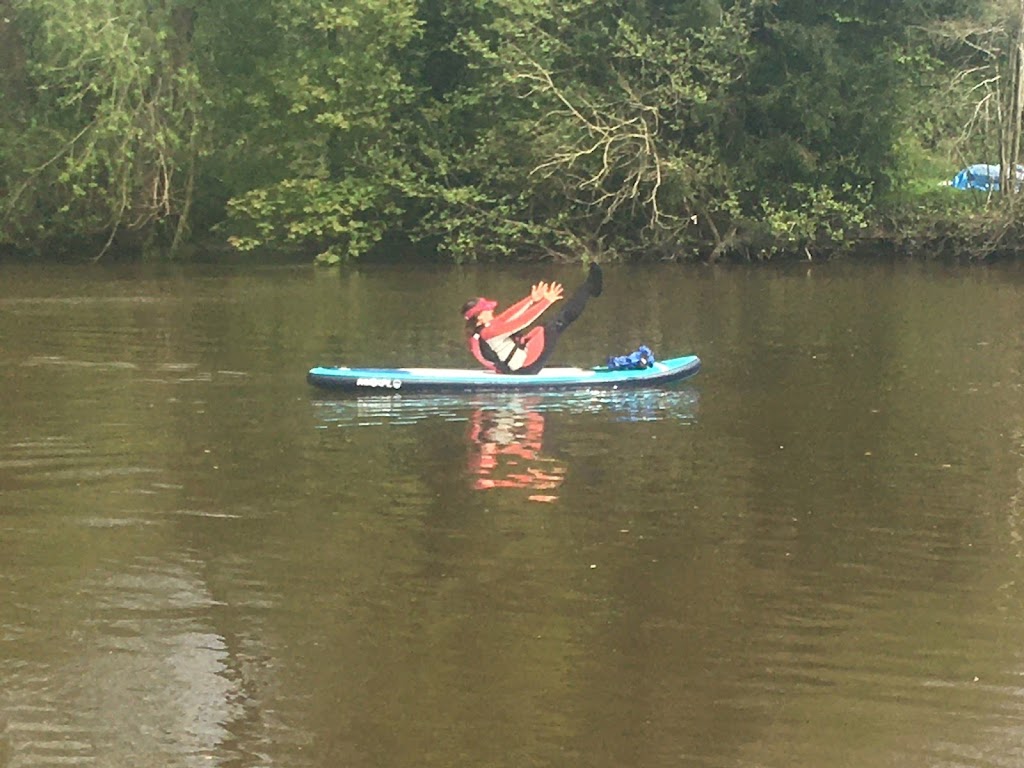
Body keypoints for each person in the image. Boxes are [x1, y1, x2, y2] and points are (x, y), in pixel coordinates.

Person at [461, 262, 603, 374]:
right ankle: (589, 287)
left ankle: (589, 287)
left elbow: (508, 316)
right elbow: (521, 322)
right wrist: (546, 301)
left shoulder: (486, 328)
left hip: (519, 365)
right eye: (487, 309)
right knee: (556, 324)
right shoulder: (488, 332)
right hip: (525, 369)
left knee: (544, 327)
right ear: (479, 316)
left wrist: (531, 299)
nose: (491, 309)